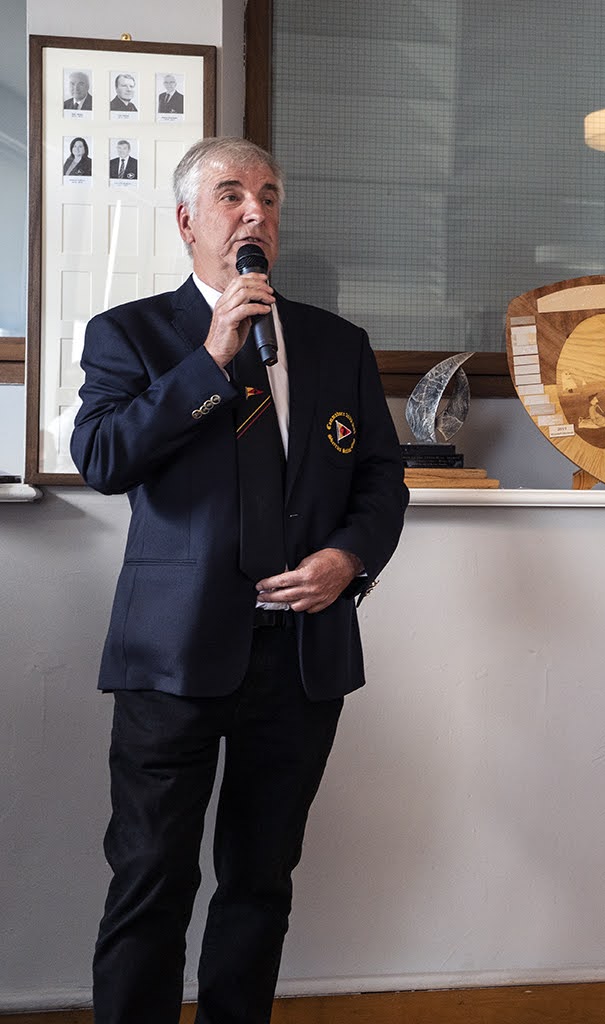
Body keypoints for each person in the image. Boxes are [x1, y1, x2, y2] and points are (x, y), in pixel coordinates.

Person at [71, 137, 408, 1024]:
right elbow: (103, 458)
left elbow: (381, 479)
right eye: (231, 194)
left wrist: (348, 559)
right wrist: (210, 359)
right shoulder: (131, 334)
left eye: (268, 196)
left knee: (261, 883)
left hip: (299, 657)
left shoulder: (337, 345)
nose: (255, 210)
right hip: (172, 656)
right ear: (188, 221)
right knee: (151, 878)